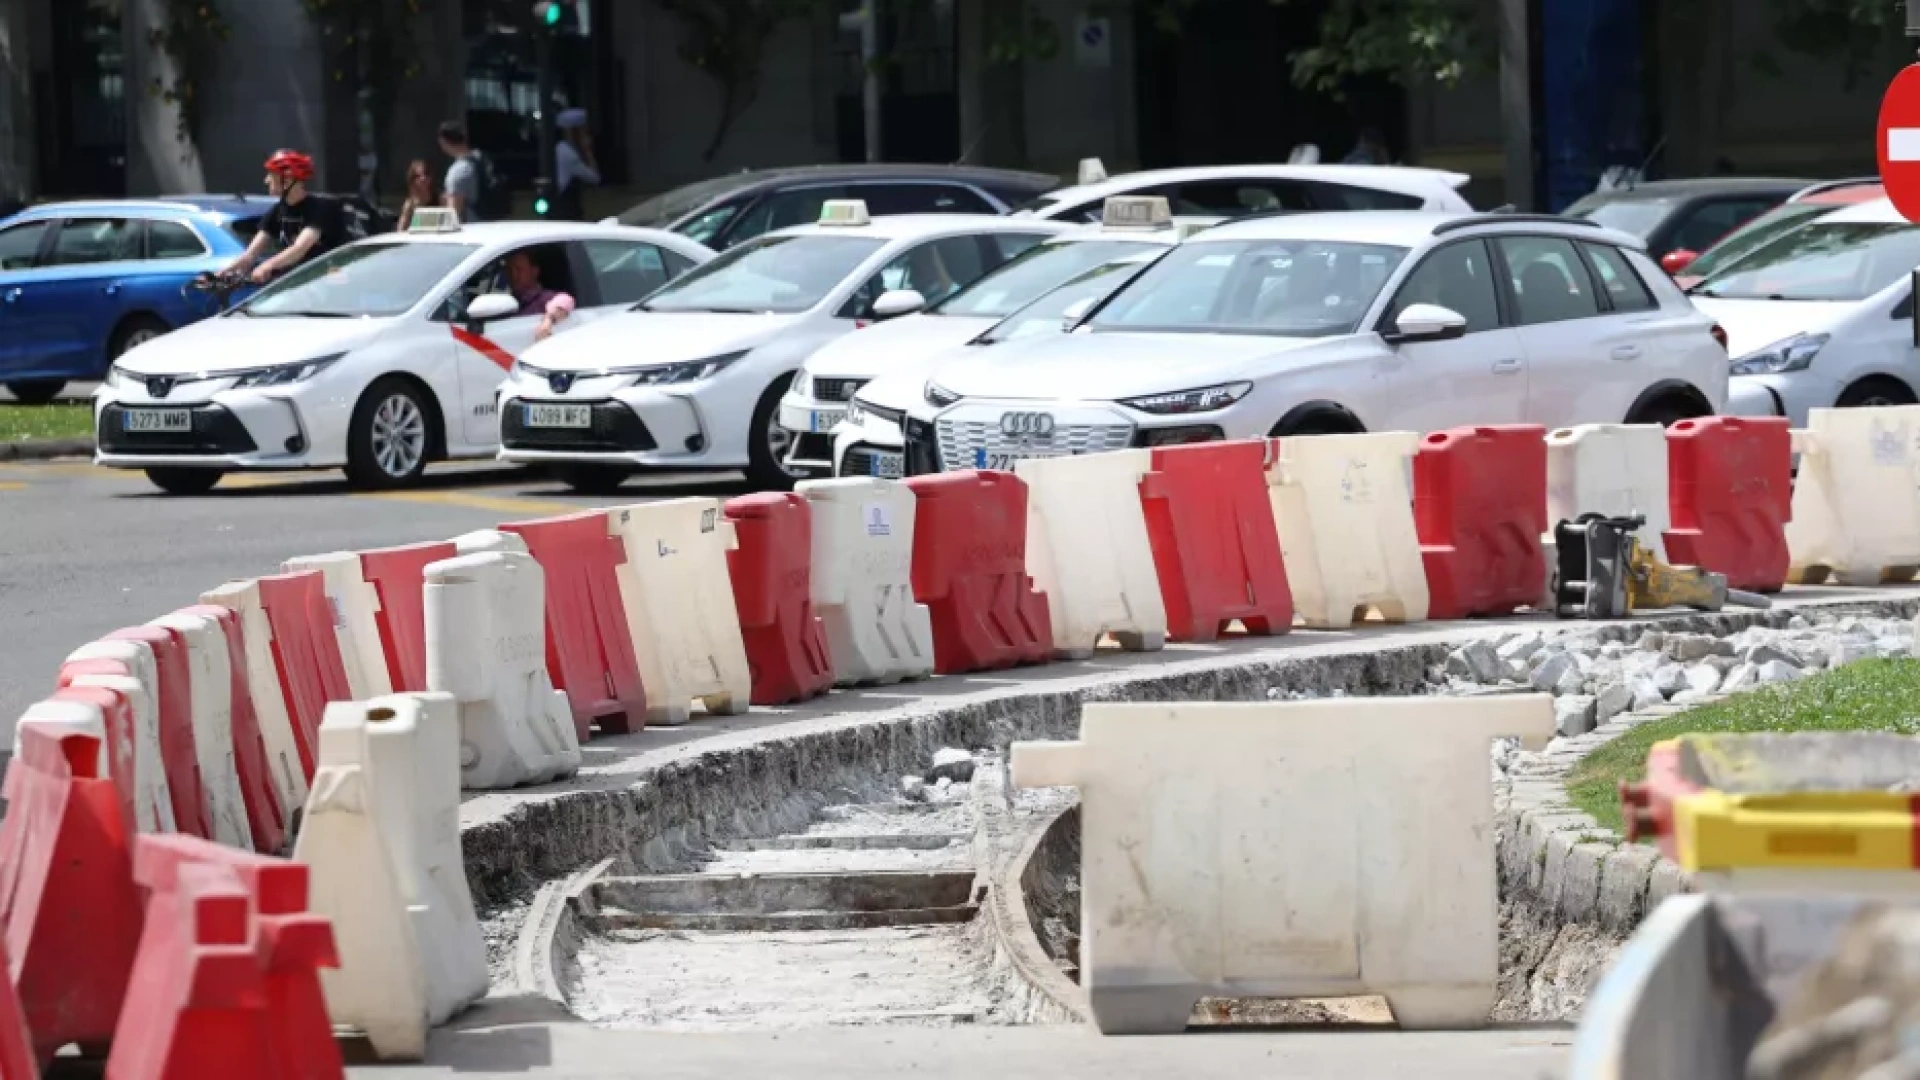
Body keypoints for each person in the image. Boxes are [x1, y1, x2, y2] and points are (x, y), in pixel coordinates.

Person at [226, 149, 350, 285]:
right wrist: (221, 274)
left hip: (332, 282)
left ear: (287, 179)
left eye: (271, 175)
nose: (266, 180)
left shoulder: (321, 208)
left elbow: (299, 249)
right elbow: (250, 255)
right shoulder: (278, 210)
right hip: (301, 285)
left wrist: (267, 265)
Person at [505, 250, 575, 341]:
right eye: (510, 270)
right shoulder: (510, 299)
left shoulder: (544, 298)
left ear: (534, 271)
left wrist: (548, 320)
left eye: (519, 269)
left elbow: (566, 300)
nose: (513, 275)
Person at [553, 108, 601, 221]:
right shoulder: (569, 154)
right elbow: (594, 177)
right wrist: (588, 150)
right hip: (567, 210)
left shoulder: (561, 148)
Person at [438, 121, 486, 222]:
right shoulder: (481, 159)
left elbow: (453, 213)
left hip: (472, 231)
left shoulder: (458, 171)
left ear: (443, 142)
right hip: (493, 226)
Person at [396, 159, 437, 231]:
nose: (423, 178)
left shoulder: (440, 199)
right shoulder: (410, 204)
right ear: (412, 180)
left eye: (426, 174)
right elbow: (401, 229)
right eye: (418, 176)